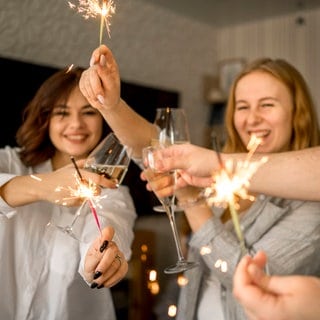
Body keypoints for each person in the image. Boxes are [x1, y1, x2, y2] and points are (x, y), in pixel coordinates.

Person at [80, 46, 320, 319]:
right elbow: (156, 148)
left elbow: (253, 281)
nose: (252, 119)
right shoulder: (220, 178)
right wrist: (111, 105)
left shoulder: (312, 201)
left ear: (297, 113)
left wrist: (189, 199)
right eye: (243, 107)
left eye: (267, 104)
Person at [0, 67, 137, 320]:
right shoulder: (10, 162)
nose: (76, 124)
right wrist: (43, 185)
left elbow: (110, 225)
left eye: (89, 112)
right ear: (46, 118)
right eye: (62, 113)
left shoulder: (112, 191)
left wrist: (100, 258)